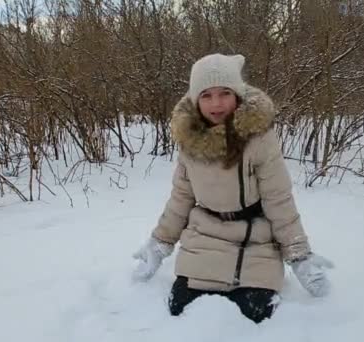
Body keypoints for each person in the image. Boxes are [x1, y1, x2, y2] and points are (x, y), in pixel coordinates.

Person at [132, 53, 333, 324]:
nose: (216, 104)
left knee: (254, 316)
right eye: (206, 95)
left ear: (237, 94)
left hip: (255, 241)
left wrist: (299, 256)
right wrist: (160, 244)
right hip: (204, 238)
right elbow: (181, 197)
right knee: (182, 312)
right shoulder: (189, 141)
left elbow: (278, 199)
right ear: (195, 99)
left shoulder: (259, 138)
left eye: (224, 93)